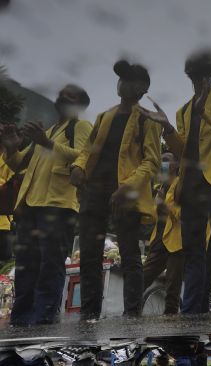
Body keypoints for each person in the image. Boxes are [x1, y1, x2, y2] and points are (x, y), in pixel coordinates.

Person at [143, 49, 211, 313]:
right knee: (193, 251)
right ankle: (191, 310)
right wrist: (167, 128)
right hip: (190, 185)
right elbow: (183, 151)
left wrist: (208, 115)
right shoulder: (183, 110)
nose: (198, 82)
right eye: (193, 77)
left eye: (202, 76)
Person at [70, 61, 162, 320]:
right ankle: (89, 314)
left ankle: (131, 314)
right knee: (89, 254)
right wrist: (78, 166)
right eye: (121, 79)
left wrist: (128, 187)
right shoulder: (105, 116)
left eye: (130, 80)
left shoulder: (146, 120)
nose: (123, 84)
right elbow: (89, 149)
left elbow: (151, 160)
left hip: (125, 195)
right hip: (94, 191)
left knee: (130, 254)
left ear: (142, 88)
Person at [0, 84, 92, 325]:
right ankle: (20, 321)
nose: (62, 98)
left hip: (58, 207)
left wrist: (46, 142)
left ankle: (42, 320)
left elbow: (84, 155)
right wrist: (11, 147)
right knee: (26, 267)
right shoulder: (49, 131)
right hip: (30, 206)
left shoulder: (81, 127)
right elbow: (20, 164)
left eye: (70, 96)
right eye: (61, 94)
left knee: (49, 266)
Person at [142, 151, 194, 315]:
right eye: (161, 160)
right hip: (158, 239)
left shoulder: (181, 185)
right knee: (142, 278)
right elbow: (151, 218)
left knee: (172, 286)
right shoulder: (159, 187)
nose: (163, 164)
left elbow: (181, 215)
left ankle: (169, 323)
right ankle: (130, 314)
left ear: (177, 165)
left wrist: (164, 205)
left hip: (176, 242)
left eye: (166, 160)